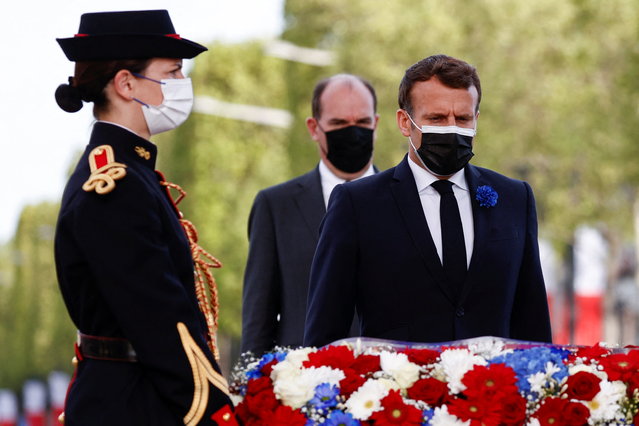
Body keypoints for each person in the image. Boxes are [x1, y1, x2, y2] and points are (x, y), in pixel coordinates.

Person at [53, 10, 236, 425]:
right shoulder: (114, 185)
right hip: (133, 404)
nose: (181, 85)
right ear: (126, 83)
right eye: (171, 73)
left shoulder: (129, 173)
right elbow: (159, 318)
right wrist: (216, 412)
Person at [304, 54, 552, 347]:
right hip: (395, 388)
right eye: (436, 118)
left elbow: (533, 325)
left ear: (476, 119)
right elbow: (325, 332)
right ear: (404, 122)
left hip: (493, 389)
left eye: (462, 118)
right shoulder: (357, 205)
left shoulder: (514, 199)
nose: (451, 128)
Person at [241, 74, 379, 355]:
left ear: (376, 124)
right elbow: (258, 318)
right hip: (303, 386)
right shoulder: (275, 206)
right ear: (314, 128)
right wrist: (252, 387)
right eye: (339, 123)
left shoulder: (407, 198)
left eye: (362, 123)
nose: (353, 133)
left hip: (393, 383)